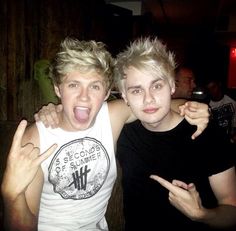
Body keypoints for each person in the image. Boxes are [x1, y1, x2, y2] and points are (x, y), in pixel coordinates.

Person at [2, 37, 209, 231]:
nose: (84, 97)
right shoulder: (34, 139)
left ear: (107, 92)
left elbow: (157, 104)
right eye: (73, 85)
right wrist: (12, 196)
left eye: (94, 86)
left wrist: (193, 107)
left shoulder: (111, 116)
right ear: (58, 89)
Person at [113, 37, 236, 230]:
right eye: (136, 91)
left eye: (157, 86)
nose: (149, 99)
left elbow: (232, 210)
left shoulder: (205, 131)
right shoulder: (121, 132)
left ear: (171, 86)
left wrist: (202, 214)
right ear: (124, 96)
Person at [206, 79, 236, 143]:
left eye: (213, 87)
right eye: (209, 89)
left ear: (219, 85)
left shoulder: (232, 99)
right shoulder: (207, 105)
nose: (212, 91)